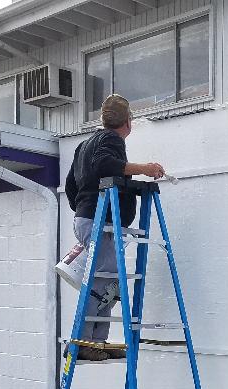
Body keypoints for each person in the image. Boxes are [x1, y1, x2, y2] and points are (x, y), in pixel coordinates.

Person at [64, 94, 166, 361]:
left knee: (106, 280)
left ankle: (96, 341)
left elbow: (71, 186)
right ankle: (84, 341)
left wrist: (83, 211)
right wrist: (144, 168)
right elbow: (104, 165)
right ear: (128, 121)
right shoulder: (110, 140)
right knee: (105, 281)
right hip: (101, 221)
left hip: (89, 219)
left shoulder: (84, 145)